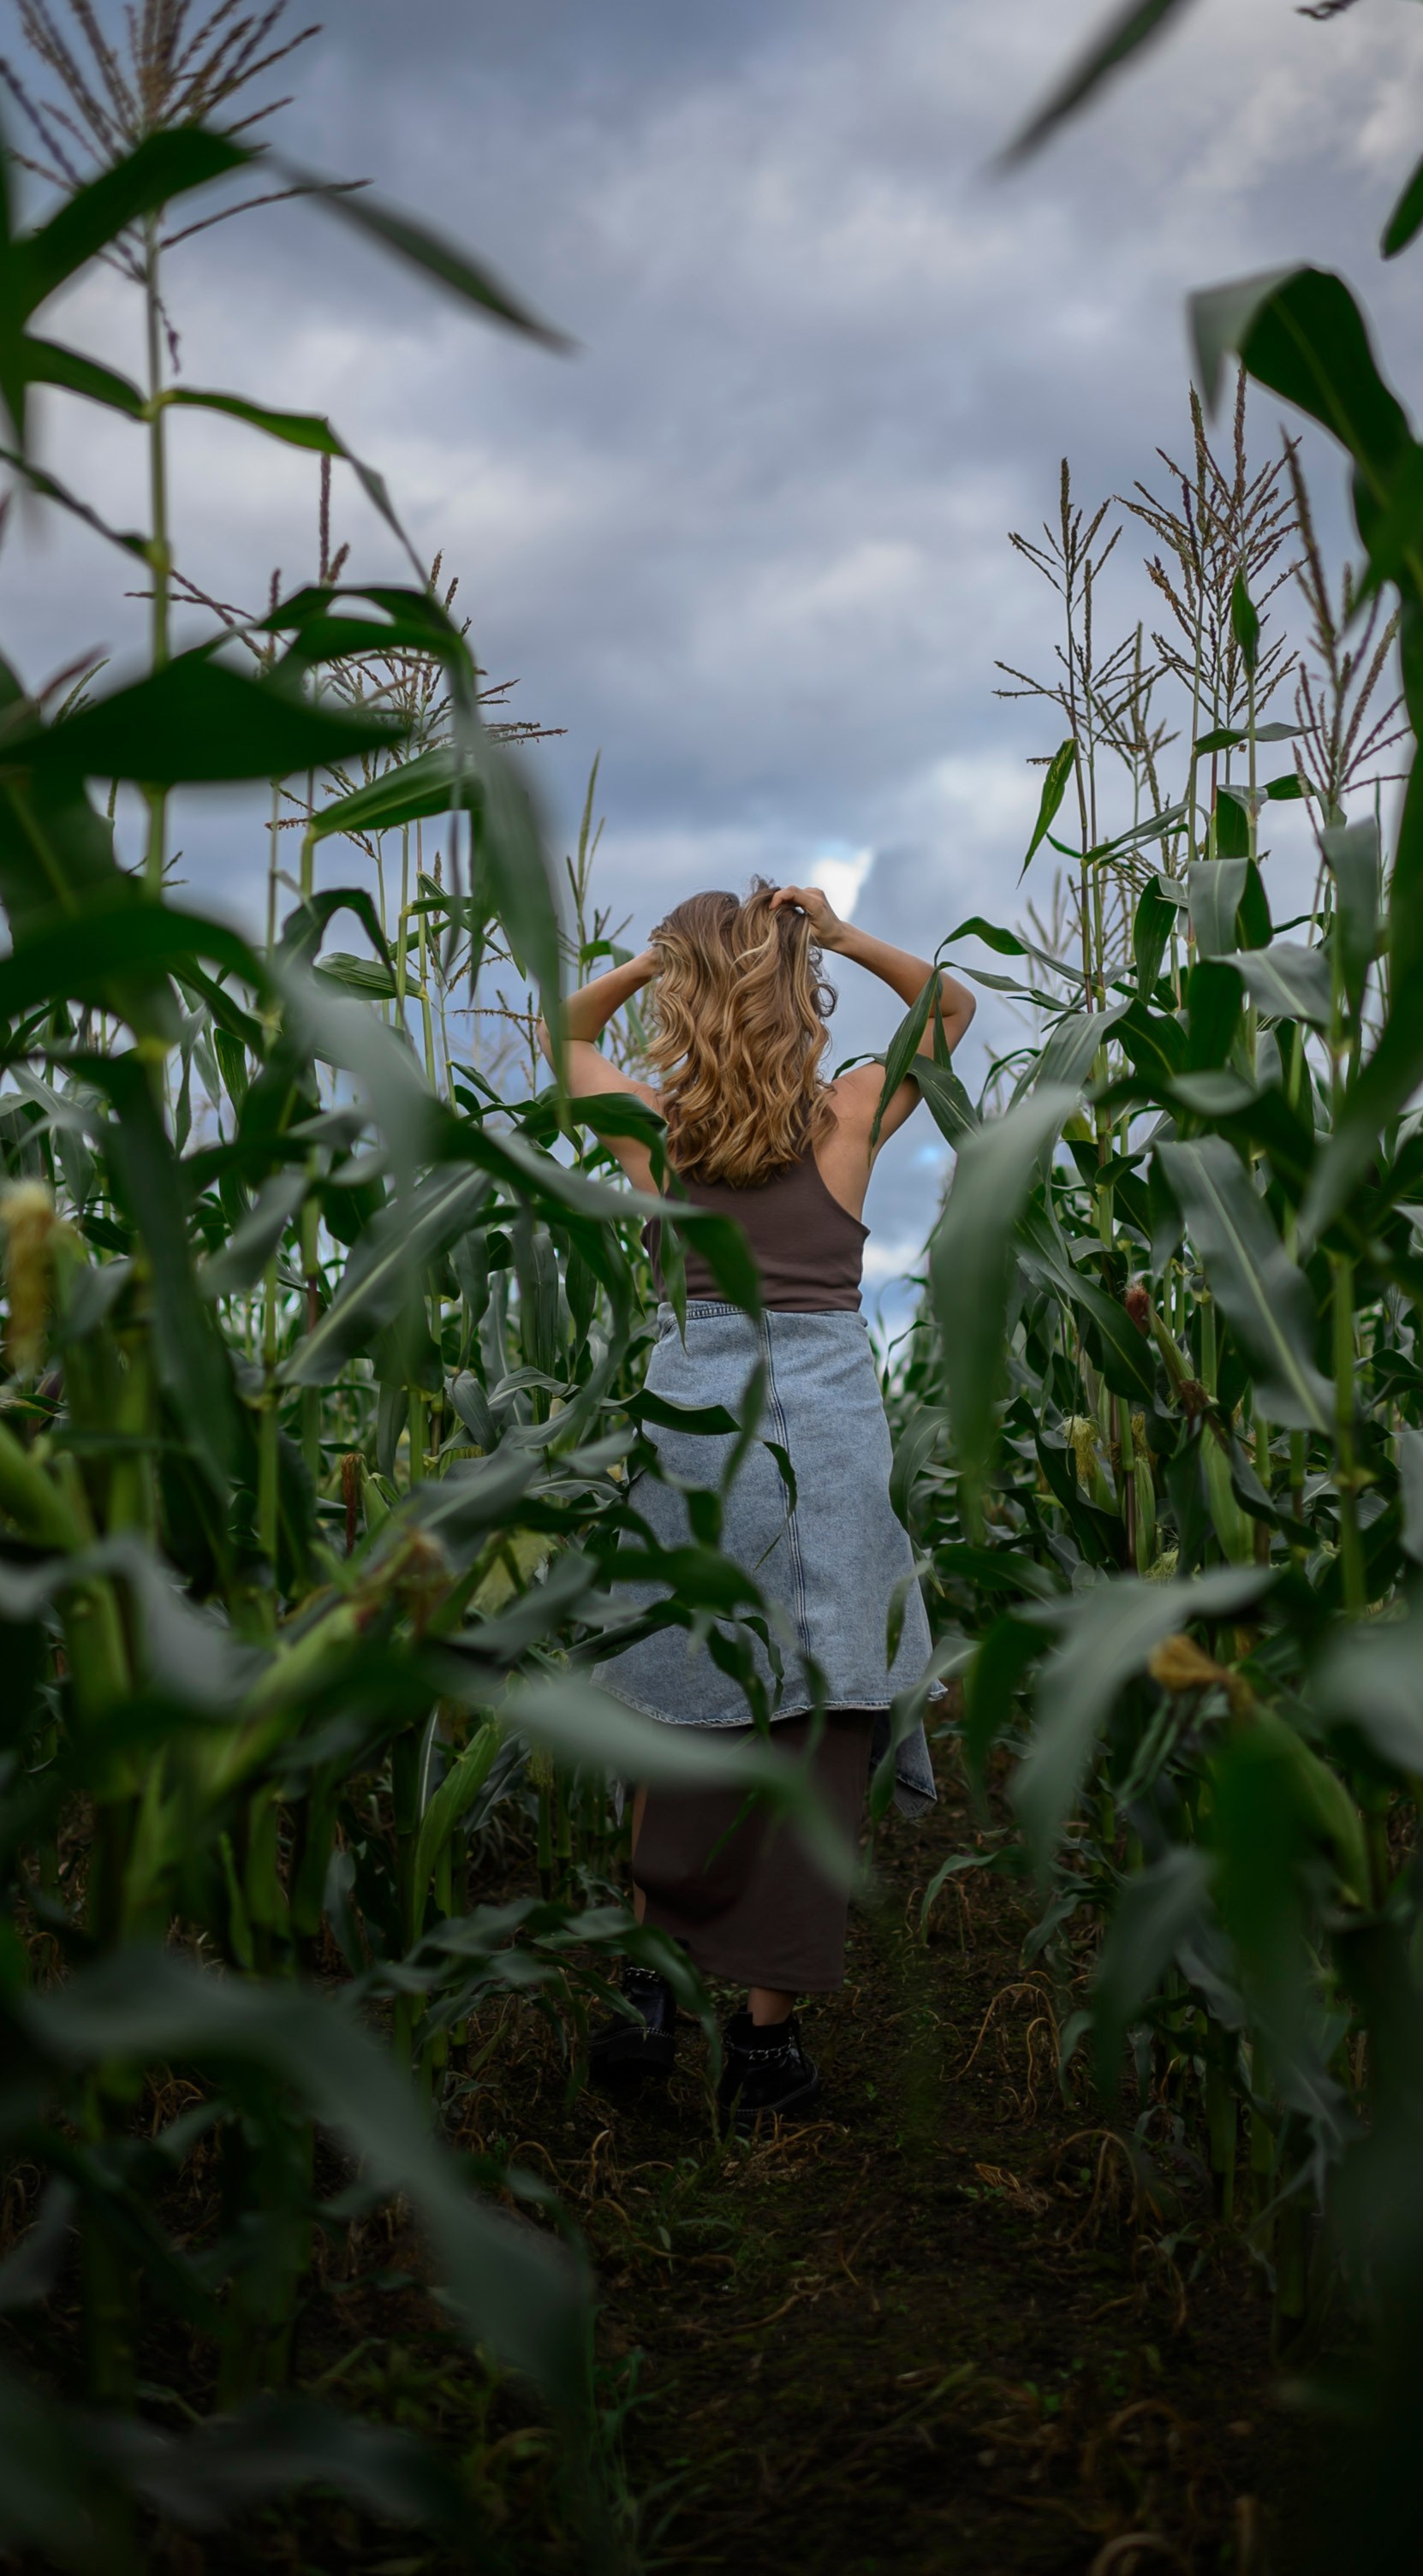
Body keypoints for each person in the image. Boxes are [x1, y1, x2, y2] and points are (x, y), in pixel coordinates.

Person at [539, 878, 976, 2130]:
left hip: (697, 1452)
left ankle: (645, 1992)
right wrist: (837, 934)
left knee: (679, 1709)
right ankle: (765, 2052)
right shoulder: (849, 1116)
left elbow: (562, 1034)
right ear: (802, 999)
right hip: (827, 1456)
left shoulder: (655, 1130)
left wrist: (648, 960)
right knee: (813, 1737)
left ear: (691, 1004)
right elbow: (950, 1009)